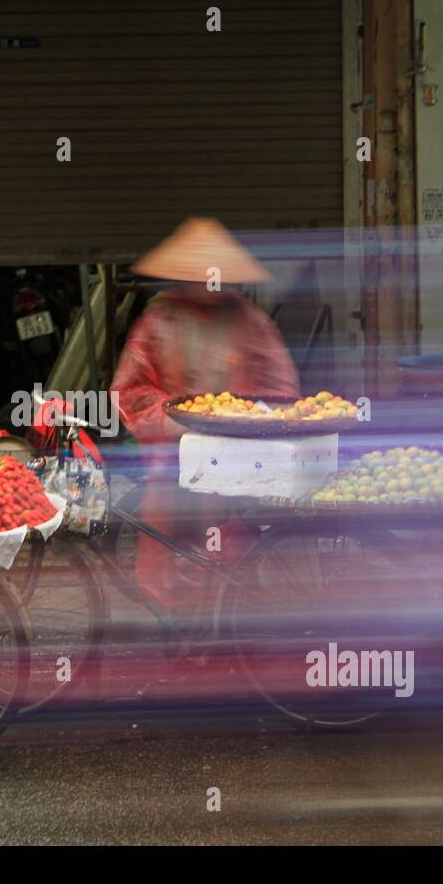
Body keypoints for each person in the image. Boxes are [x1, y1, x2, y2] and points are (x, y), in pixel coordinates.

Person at [111, 217, 300, 629]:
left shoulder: (249, 320)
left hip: (237, 460)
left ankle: (225, 625)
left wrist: (245, 417)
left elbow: (280, 387)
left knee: (229, 548)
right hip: (174, 461)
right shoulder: (159, 320)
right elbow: (130, 390)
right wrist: (180, 418)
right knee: (170, 549)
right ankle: (181, 629)